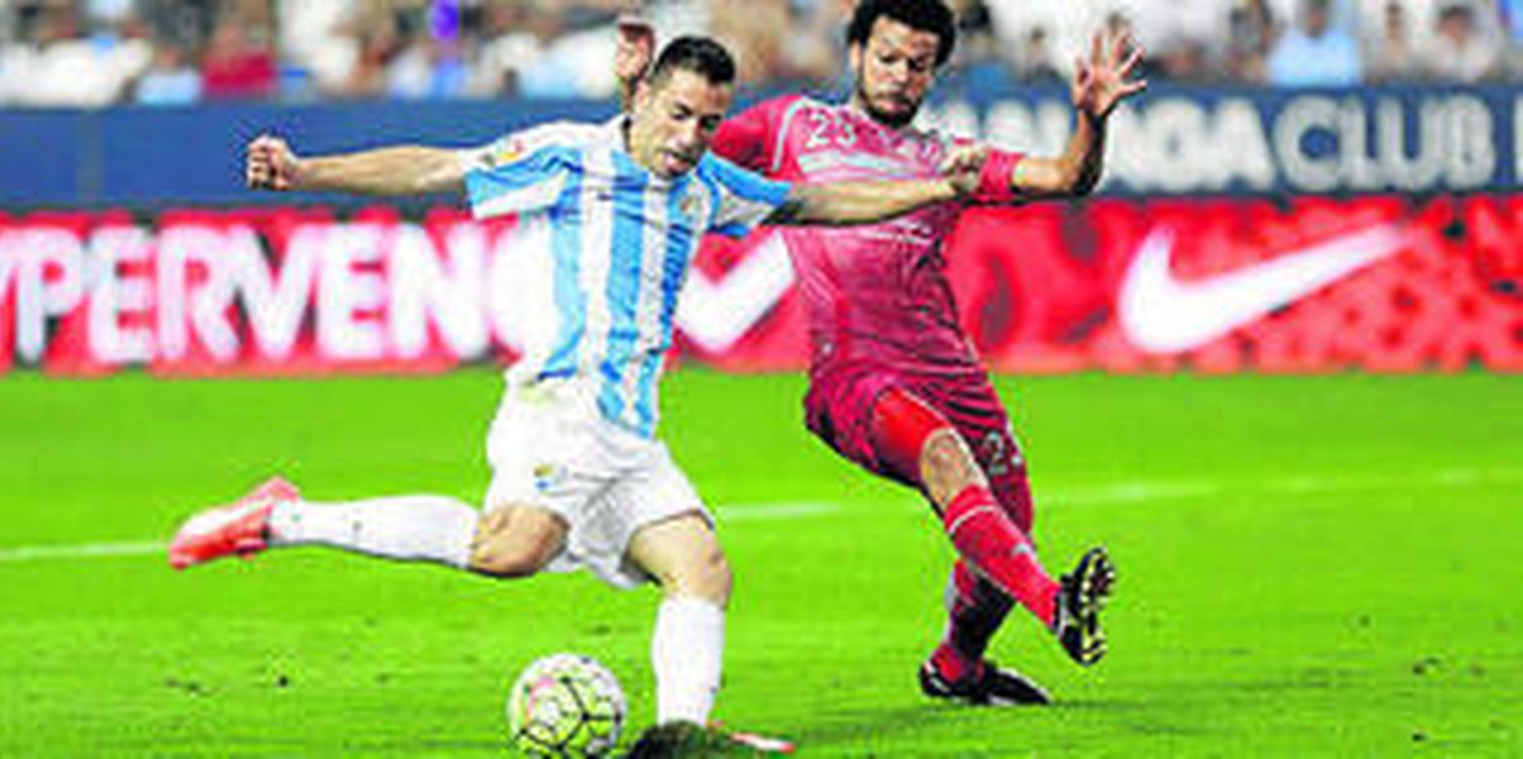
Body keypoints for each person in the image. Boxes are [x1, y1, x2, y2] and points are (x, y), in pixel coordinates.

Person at [168, 35, 993, 733]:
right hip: (562, 404)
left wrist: (936, 187)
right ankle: (278, 518)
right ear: (643, 98)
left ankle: (682, 736)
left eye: (709, 123)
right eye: (679, 114)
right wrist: (307, 170)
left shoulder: (707, 185)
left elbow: (813, 201)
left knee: (700, 566)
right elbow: (435, 170)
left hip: (628, 429)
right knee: (509, 548)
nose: (690, 138)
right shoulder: (570, 156)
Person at [615, 0, 1142, 706]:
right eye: (887, 57)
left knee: (1007, 530)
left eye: (917, 65)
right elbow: (671, 150)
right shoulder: (793, 125)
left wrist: (1092, 119)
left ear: (934, 73)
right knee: (945, 458)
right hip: (854, 377)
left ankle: (957, 667)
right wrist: (635, 92)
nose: (899, 75)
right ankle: (1057, 604)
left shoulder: (948, 158)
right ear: (857, 52)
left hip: (952, 375)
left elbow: (1067, 178)